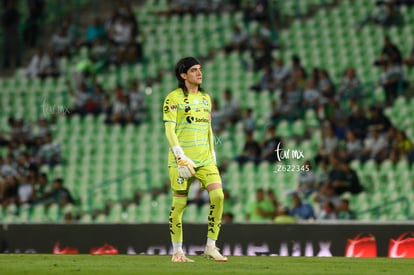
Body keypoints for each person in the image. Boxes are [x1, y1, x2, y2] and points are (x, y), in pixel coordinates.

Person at [163, 57, 227, 262]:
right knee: (179, 205)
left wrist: (213, 153)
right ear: (183, 75)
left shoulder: (206, 98)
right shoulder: (172, 99)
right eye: (193, 70)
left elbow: (209, 129)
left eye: (200, 69)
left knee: (218, 196)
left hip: (205, 159)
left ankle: (210, 246)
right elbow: (169, 129)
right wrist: (180, 157)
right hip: (181, 161)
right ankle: (178, 252)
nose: (199, 73)